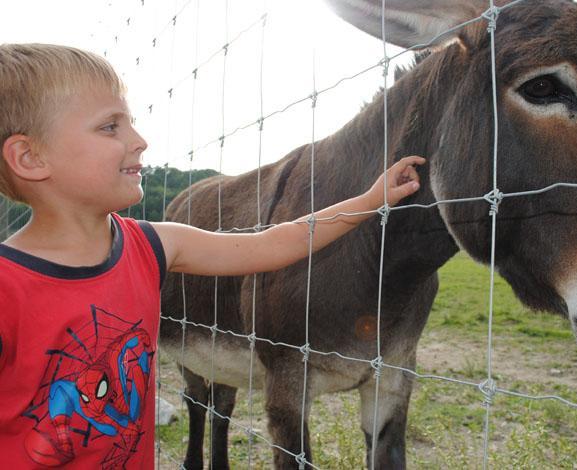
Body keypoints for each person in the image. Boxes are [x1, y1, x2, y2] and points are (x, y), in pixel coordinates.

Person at [0, 43, 424, 468]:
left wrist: (371, 199)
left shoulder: (155, 245)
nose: (140, 141)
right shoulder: (6, 286)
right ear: (30, 157)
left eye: (131, 123)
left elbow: (278, 242)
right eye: (110, 127)